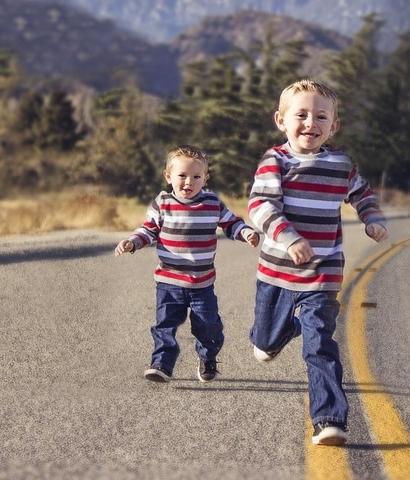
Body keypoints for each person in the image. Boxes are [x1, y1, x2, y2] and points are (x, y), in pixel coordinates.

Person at [248, 79, 388, 446]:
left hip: (322, 274)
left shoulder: (340, 164)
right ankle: (277, 333)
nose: (311, 123)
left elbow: (362, 193)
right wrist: (289, 238)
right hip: (276, 272)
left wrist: (372, 218)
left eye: (320, 116)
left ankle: (329, 420)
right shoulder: (274, 161)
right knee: (263, 344)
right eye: (302, 115)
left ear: (333, 126)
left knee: (321, 343)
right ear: (281, 120)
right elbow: (260, 207)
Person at [115, 145, 259, 383]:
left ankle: (208, 356)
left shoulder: (212, 203)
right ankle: (161, 364)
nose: (188, 182)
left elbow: (232, 223)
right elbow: (149, 230)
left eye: (196, 177)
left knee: (208, 326)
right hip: (169, 281)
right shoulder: (162, 203)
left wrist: (245, 233)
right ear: (168, 176)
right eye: (181, 176)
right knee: (164, 325)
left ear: (205, 178)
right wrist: (132, 242)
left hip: (202, 283)